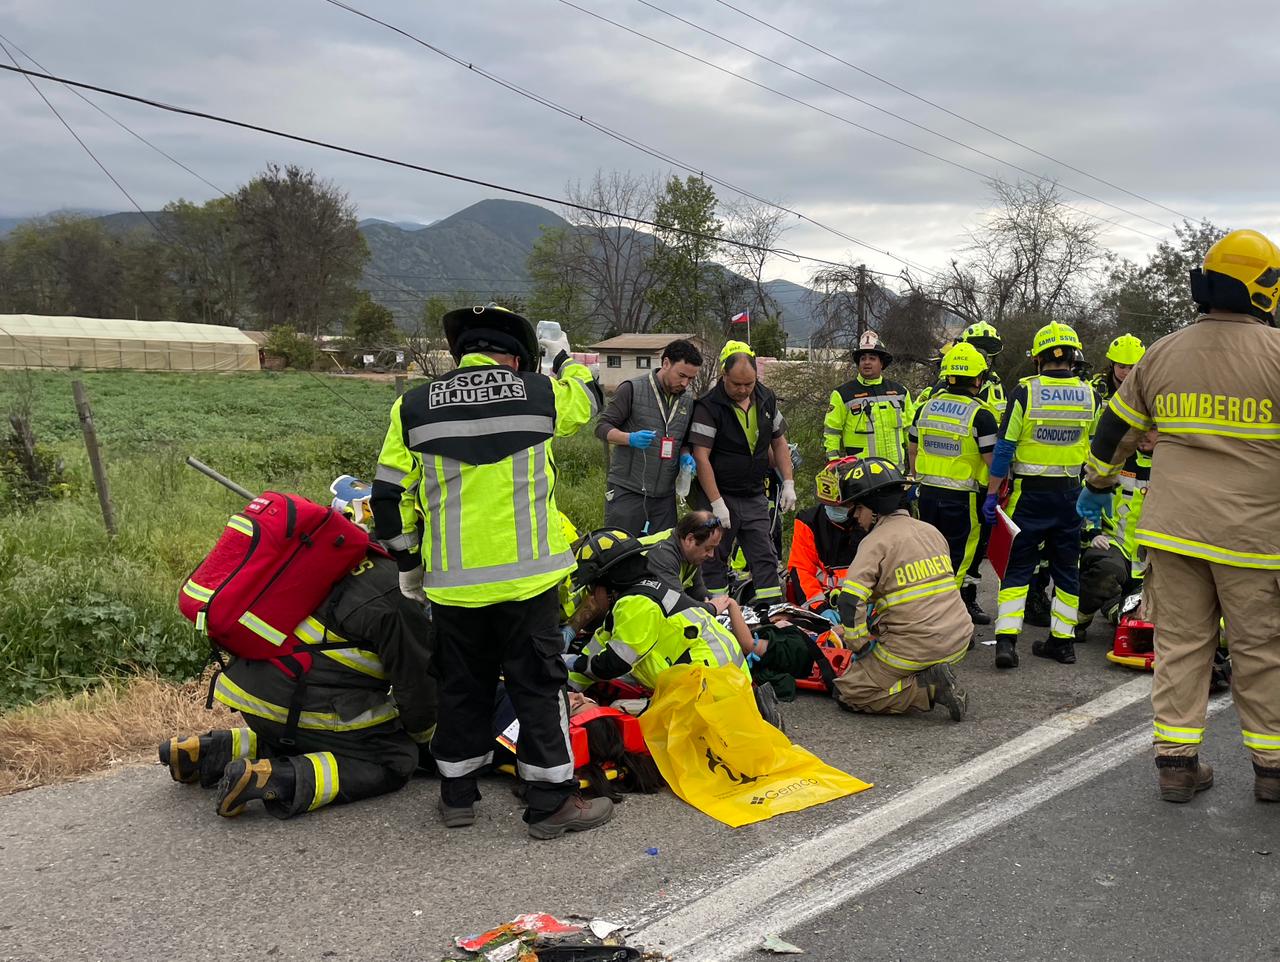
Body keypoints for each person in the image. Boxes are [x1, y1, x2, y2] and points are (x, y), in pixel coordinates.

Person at [371, 302, 613, 840]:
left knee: (461, 687)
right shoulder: (539, 393)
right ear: (518, 357)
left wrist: (409, 564)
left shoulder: (411, 406)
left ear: (462, 354)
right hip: (528, 582)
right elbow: (591, 397)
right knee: (538, 685)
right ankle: (551, 803)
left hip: (454, 586)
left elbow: (387, 499)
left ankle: (457, 796)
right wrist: (564, 358)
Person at [1080, 228, 1280, 805]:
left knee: (1180, 648)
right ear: (1262, 289)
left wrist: (1097, 478)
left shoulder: (1162, 352)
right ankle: (1271, 771)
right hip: (1255, 539)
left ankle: (1176, 764)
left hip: (1173, 532)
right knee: (1262, 651)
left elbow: (1112, 430)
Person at [160, 551, 437, 819]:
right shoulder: (398, 595)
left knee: (331, 734)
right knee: (395, 756)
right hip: (291, 702)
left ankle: (208, 750)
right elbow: (417, 693)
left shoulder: (345, 555)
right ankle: (276, 779)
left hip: (251, 689)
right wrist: (430, 741)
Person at [982, 321, 1096, 670]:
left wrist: (991, 493)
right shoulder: (1091, 394)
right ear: (1074, 358)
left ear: (1038, 359)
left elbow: (1004, 450)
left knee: (1017, 568)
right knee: (1067, 570)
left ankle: (1006, 642)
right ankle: (1063, 643)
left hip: (1029, 496)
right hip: (1071, 495)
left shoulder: (1025, 393)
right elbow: (1094, 446)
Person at [831, 458, 970, 722]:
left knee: (849, 691)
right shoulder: (930, 532)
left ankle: (929, 690)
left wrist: (858, 644)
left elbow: (849, 602)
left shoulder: (875, 542)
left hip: (915, 648)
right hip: (958, 639)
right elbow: (914, 596)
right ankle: (933, 672)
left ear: (873, 508)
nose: (856, 519)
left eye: (857, 509)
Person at [565, 528, 754, 693]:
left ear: (606, 584)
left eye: (591, 588)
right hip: (722, 679)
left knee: (640, 720)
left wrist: (571, 661)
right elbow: (596, 651)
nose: (591, 597)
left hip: (715, 687)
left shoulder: (637, 605)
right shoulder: (635, 599)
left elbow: (614, 663)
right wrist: (567, 685)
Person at [689, 340, 795, 608]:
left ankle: (772, 612)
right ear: (724, 375)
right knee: (713, 558)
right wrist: (716, 503)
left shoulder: (766, 398)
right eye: (737, 384)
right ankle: (718, 610)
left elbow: (779, 442)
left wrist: (789, 482)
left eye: (749, 384)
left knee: (765, 556)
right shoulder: (709, 407)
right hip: (720, 494)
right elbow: (701, 457)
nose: (743, 389)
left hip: (753, 494)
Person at [909, 342, 1001, 626]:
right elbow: (993, 462)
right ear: (978, 379)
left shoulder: (925, 407)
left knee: (931, 557)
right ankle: (948, 622)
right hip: (964, 499)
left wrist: (916, 479)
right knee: (958, 561)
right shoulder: (981, 415)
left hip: (926, 496)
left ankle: (928, 613)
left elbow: (913, 449)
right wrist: (994, 494)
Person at [596, 338, 704, 536]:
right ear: (665, 363)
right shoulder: (632, 389)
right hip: (628, 490)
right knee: (620, 551)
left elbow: (684, 441)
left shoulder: (688, 400)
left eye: (691, 379)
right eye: (681, 375)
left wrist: (685, 455)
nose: (685, 383)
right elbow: (602, 427)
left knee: (660, 555)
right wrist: (629, 438)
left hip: (664, 496)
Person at [1077, 430, 1154, 637]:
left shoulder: (1171, 467)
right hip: (1113, 543)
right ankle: (1077, 620)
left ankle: (1116, 607)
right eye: (1143, 428)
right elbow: (1090, 493)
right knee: (1107, 570)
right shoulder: (1118, 458)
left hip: (1151, 558)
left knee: (1142, 615)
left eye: (1153, 429)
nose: (1146, 434)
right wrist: (1093, 532)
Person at [785, 458, 866, 622]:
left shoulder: (871, 520)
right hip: (825, 605)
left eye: (838, 506)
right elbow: (801, 570)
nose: (832, 510)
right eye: (827, 504)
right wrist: (820, 608)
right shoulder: (809, 522)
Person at [823, 330, 912, 470]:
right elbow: (832, 432)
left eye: (872, 358)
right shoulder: (842, 394)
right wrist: (834, 463)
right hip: (861, 476)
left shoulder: (900, 392)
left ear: (882, 363)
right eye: (863, 358)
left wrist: (915, 468)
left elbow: (910, 432)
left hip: (895, 473)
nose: (867, 362)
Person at [642, 510, 724, 605]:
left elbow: (697, 591)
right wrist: (713, 608)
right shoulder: (663, 555)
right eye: (708, 548)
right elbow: (676, 603)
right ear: (690, 539)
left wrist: (722, 601)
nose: (711, 554)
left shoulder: (690, 554)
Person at [1091, 333, 1145, 407]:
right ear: (1112, 365)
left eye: (1132, 368)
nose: (1126, 372)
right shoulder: (1095, 388)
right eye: (1121, 366)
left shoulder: (1146, 390)